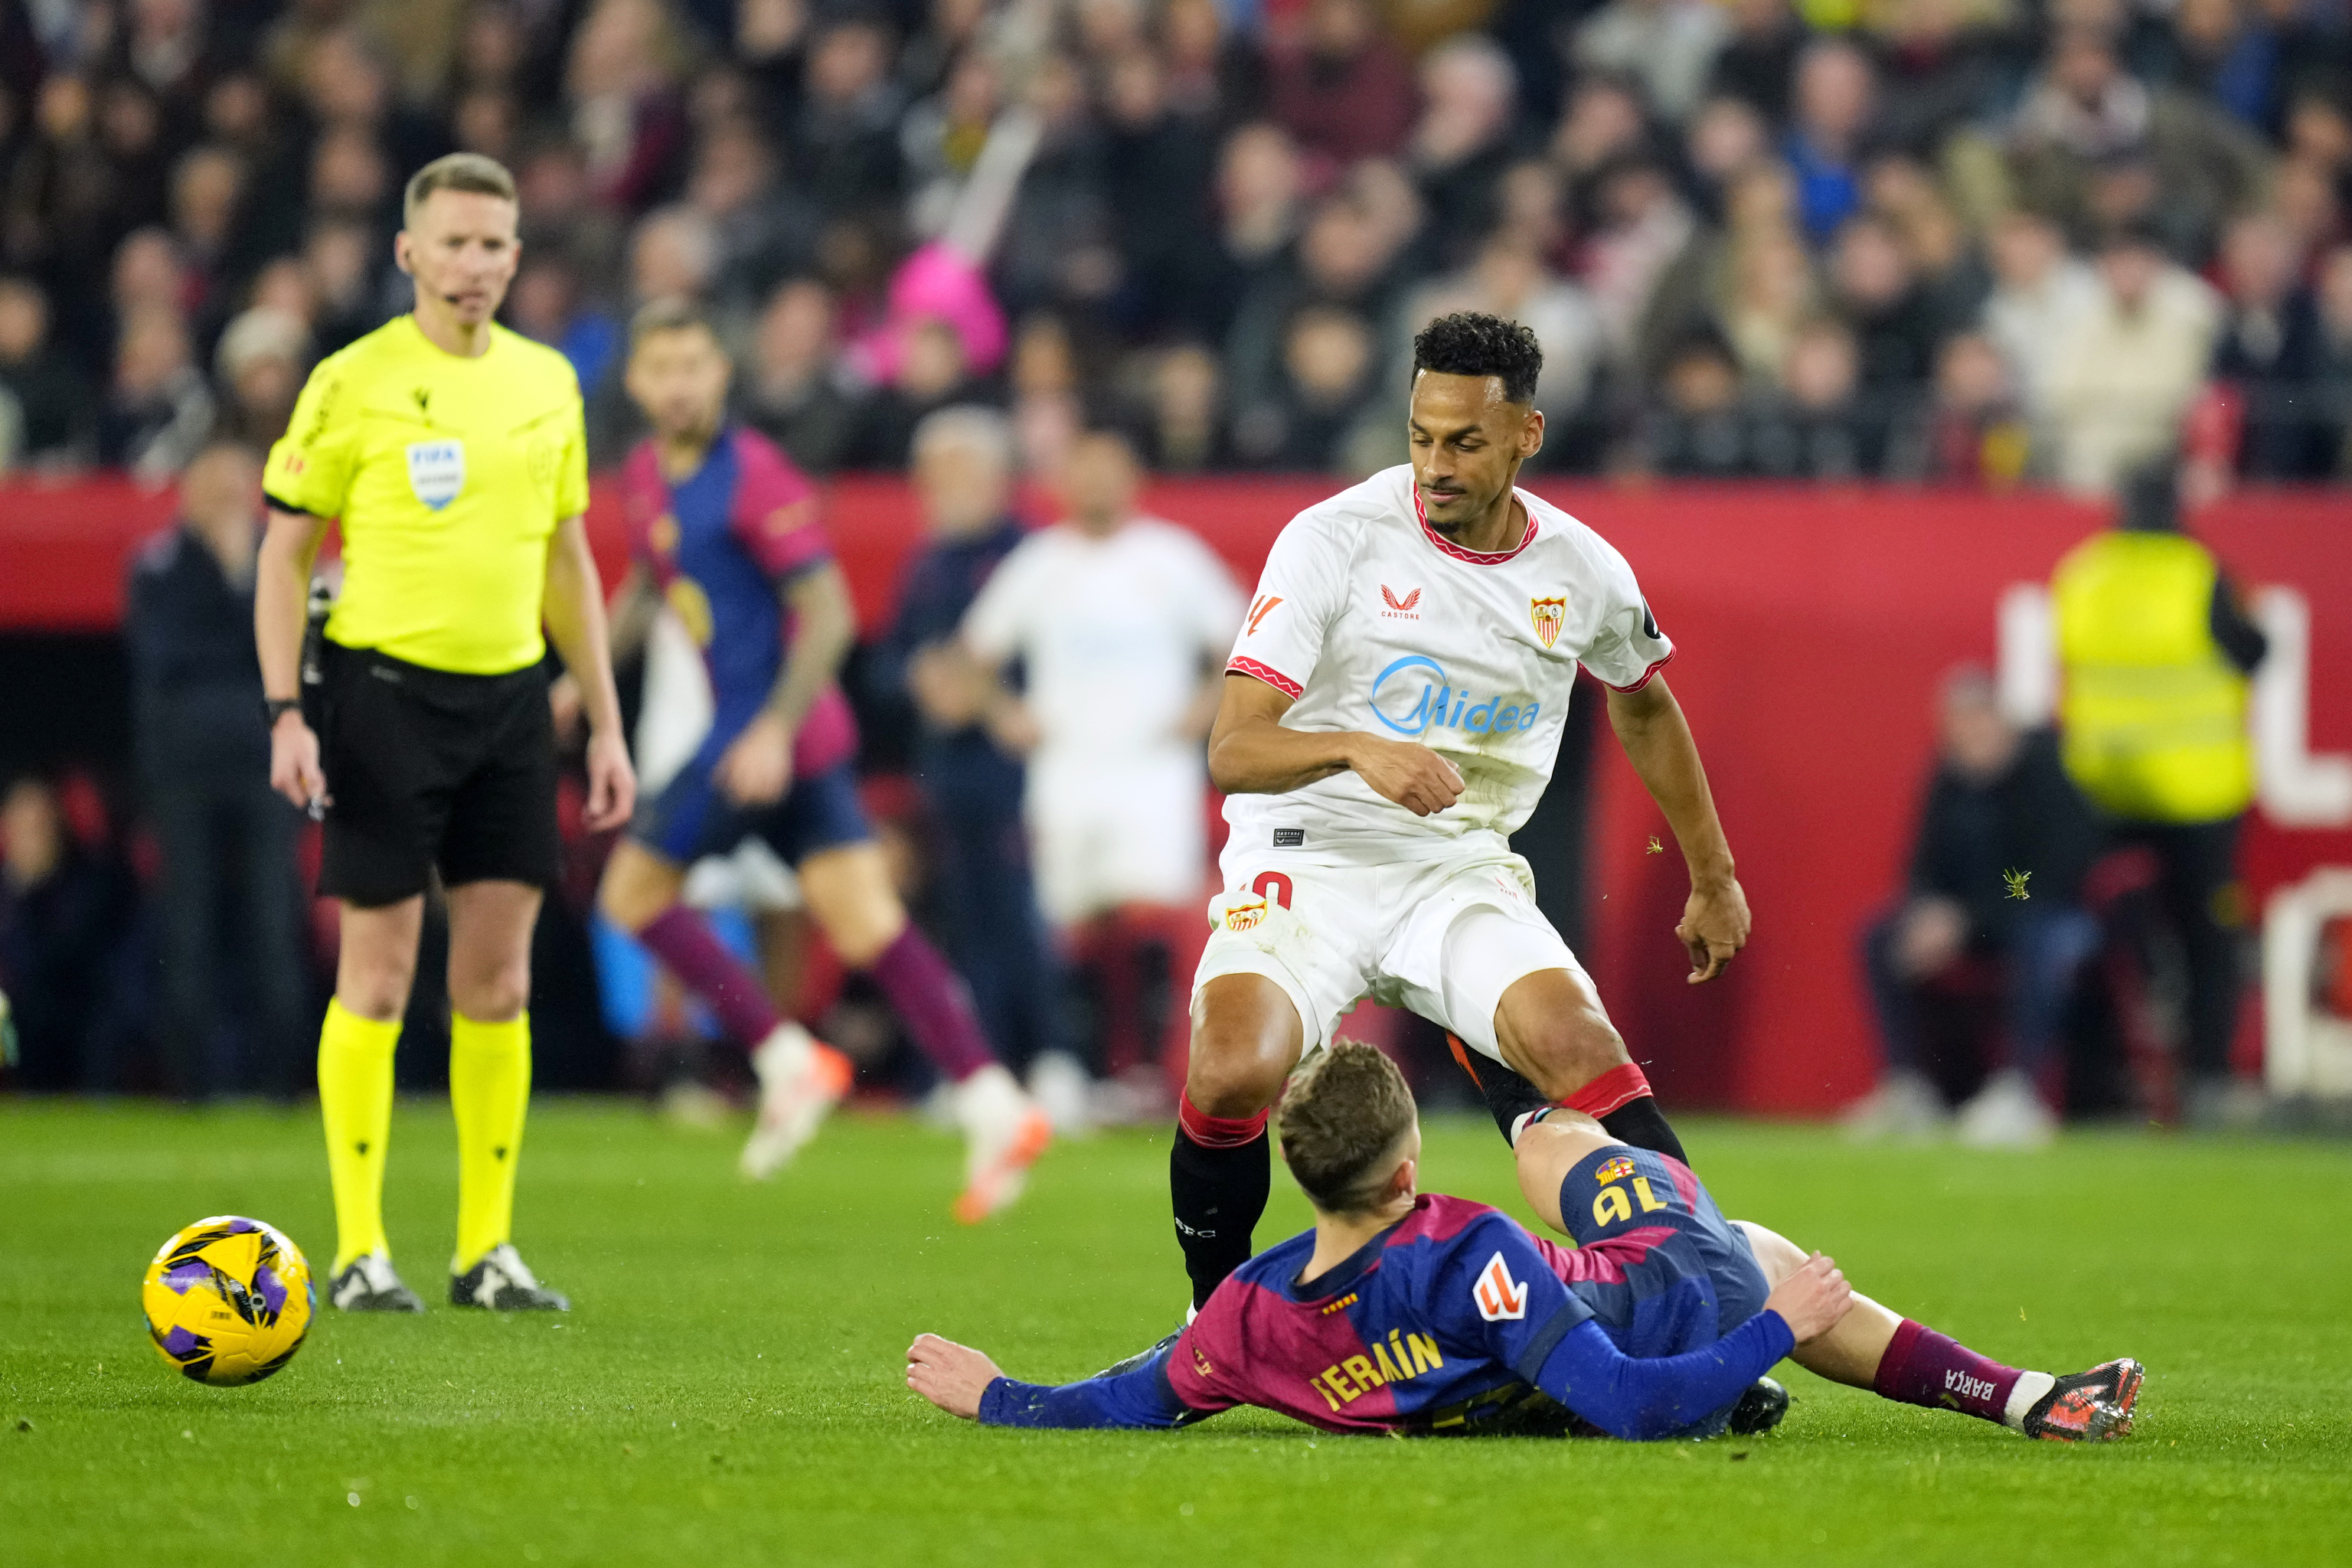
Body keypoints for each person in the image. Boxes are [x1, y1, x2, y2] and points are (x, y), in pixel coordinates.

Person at [1165, 311, 1749, 1314]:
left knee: (1585, 1055)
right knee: (1228, 1073)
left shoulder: (1582, 570)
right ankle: (1219, 1325)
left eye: (1466, 442)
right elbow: (1234, 749)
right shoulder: (1334, 538)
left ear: (1527, 434)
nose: (1435, 466)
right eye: (1421, 437)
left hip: (1457, 865)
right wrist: (1356, 746)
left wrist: (1714, 874)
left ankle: (1705, 1313)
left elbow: (1644, 702)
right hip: (1311, 855)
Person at [907, 1040, 2143, 1445]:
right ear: (1407, 1170)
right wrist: (1779, 1327)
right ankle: (2021, 1395)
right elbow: (1636, 1405)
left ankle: (2032, 1397)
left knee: (1714, 1229)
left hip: (1513, 1368)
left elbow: (1132, 1398)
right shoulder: (1470, 1250)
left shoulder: (1244, 1315)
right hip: (1674, 1293)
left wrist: (1001, 1396)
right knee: (1582, 1160)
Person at [256, 153, 637, 1315]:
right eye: (454, 244)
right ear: (408, 253)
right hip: (383, 697)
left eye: (493, 245)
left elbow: (567, 561)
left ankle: (486, 1251)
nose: (474, 264)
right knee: (376, 975)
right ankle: (360, 1250)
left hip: (512, 702)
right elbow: (284, 553)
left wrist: (604, 720)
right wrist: (285, 711)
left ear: (517, 257)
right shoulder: (352, 380)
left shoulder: (547, 382)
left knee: (498, 979)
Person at [589, 299, 1051, 1220]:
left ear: (721, 373)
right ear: (636, 381)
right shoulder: (645, 475)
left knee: (631, 895)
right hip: (787, 738)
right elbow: (648, 580)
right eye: (662, 369)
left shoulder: (753, 473)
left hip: (761, 734)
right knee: (868, 921)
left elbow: (831, 610)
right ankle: (995, 1101)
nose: (679, 386)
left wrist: (770, 728)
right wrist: (587, 679)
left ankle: (782, 1054)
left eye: (694, 366)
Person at [953, 426, 1246, 1101]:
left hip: (1151, 770)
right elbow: (974, 653)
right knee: (1070, 923)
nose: (1095, 484)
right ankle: (1078, 1068)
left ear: (1133, 479)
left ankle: (1140, 1073)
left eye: (1108, 470)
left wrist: (1205, 709)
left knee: (1149, 916)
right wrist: (1004, 713)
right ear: (1062, 482)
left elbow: (1240, 641)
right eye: (1083, 471)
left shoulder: (1172, 557)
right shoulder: (1039, 564)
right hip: (1067, 769)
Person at [2052, 466, 2269, 1127]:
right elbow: (2254, 653)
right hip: (2196, 791)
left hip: (2103, 788)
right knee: (2210, 939)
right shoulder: (2198, 576)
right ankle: (2206, 1081)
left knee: (2070, 917)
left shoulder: (2082, 574)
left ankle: (2093, 1080)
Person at [877, 406, 1063, 1083]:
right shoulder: (927, 562)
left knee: (1025, 917)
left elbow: (1055, 657)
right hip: (949, 770)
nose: (938, 491)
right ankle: (979, 1066)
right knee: (965, 923)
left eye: (952, 474)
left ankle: (1053, 1055)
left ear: (995, 476)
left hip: (1021, 768)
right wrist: (918, 677)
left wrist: (977, 694)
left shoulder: (1035, 555)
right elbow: (887, 661)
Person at [1844, 667, 2103, 1147]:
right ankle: (1908, 1087)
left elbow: (2041, 877)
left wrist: (1968, 918)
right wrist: (1926, 913)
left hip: (2041, 911)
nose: (1969, 739)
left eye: (1978, 724)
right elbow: (1922, 864)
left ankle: (2020, 1091)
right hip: (1969, 923)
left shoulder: (2047, 772)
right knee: (1878, 936)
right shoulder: (1948, 777)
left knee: (2048, 942)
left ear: (2001, 721)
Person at [126, 442, 312, 1102]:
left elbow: (291, 653)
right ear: (189, 495)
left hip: (266, 766)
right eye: (217, 488)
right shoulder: (159, 564)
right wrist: (236, 590)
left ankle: (284, 1077)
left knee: (274, 916)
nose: (231, 502)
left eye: (239, 488)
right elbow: (165, 658)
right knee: (188, 921)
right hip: (186, 770)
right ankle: (189, 1080)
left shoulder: (277, 561)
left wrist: (244, 577)